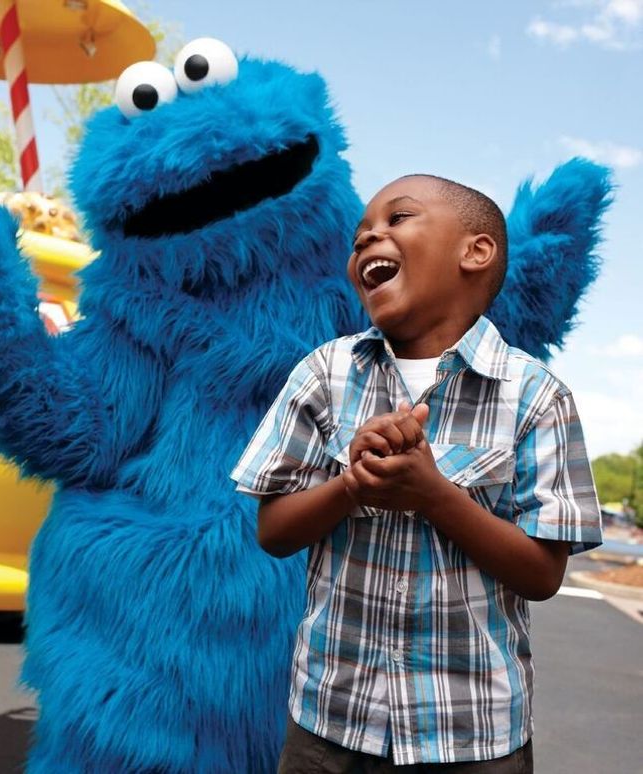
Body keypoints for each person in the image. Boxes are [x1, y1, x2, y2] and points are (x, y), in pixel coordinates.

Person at [231, 174, 602, 773]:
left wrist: (433, 495)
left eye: (397, 218)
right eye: (359, 238)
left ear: (474, 252)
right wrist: (351, 484)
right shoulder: (326, 373)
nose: (368, 238)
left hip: (470, 734)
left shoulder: (537, 396)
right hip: (329, 722)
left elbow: (541, 574)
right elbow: (273, 532)